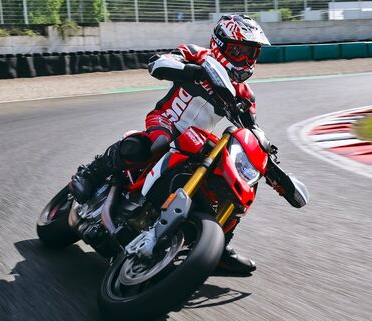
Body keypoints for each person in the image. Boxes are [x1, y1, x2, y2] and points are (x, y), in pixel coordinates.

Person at [69, 14, 270, 275]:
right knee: (154, 144)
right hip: (166, 121)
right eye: (238, 51)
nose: (245, 60)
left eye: (251, 54)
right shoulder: (198, 56)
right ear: (219, 44)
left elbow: (251, 128)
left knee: (235, 183)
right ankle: (91, 172)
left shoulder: (244, 95)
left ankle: (216, 246)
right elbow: (158, 63)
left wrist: (267, 154)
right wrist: (193, 71)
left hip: (196, 142)